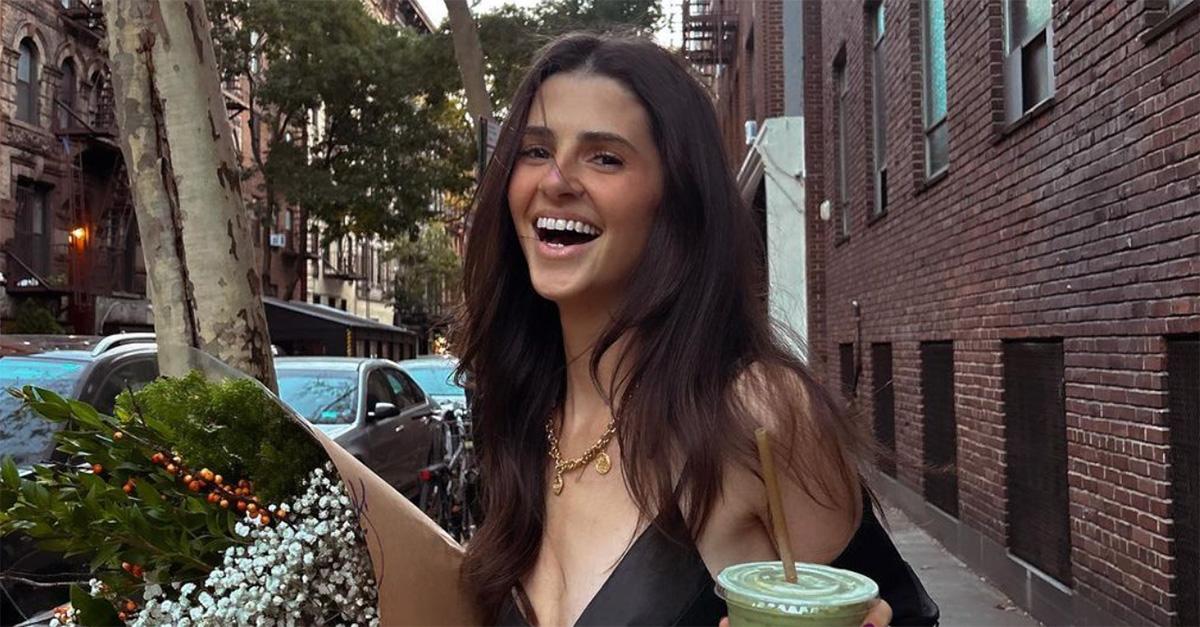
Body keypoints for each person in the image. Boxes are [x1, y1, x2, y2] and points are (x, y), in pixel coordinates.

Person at [454, 33, 898, 626]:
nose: (555, 181)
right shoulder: (517, 420)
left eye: (605, 157)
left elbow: (895, 615)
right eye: (535, 151)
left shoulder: (757, 413)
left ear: (676, 201)